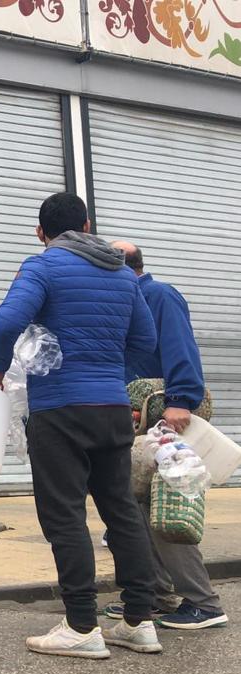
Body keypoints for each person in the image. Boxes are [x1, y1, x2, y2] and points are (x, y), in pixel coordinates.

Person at [0, 192, 161, 659]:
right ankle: (140, 620)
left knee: (64, 515)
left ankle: (82, 625)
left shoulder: (43, 266)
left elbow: (5, 323)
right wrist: (107, 375)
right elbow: (145, 340)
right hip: (113, 409)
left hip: (61, 409)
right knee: (120, 509)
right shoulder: (123, 274)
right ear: (87, 223)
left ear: (42, 232)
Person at [105, 240, 228, 630]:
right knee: (137, 506)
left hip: (166, 419)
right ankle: (157, 595)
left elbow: (181, 348)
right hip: (139, 423)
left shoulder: (159, 295)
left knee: (166, 507)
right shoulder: (126, 302)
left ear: (124, 269)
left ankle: (204, 602)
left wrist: (181, 400)